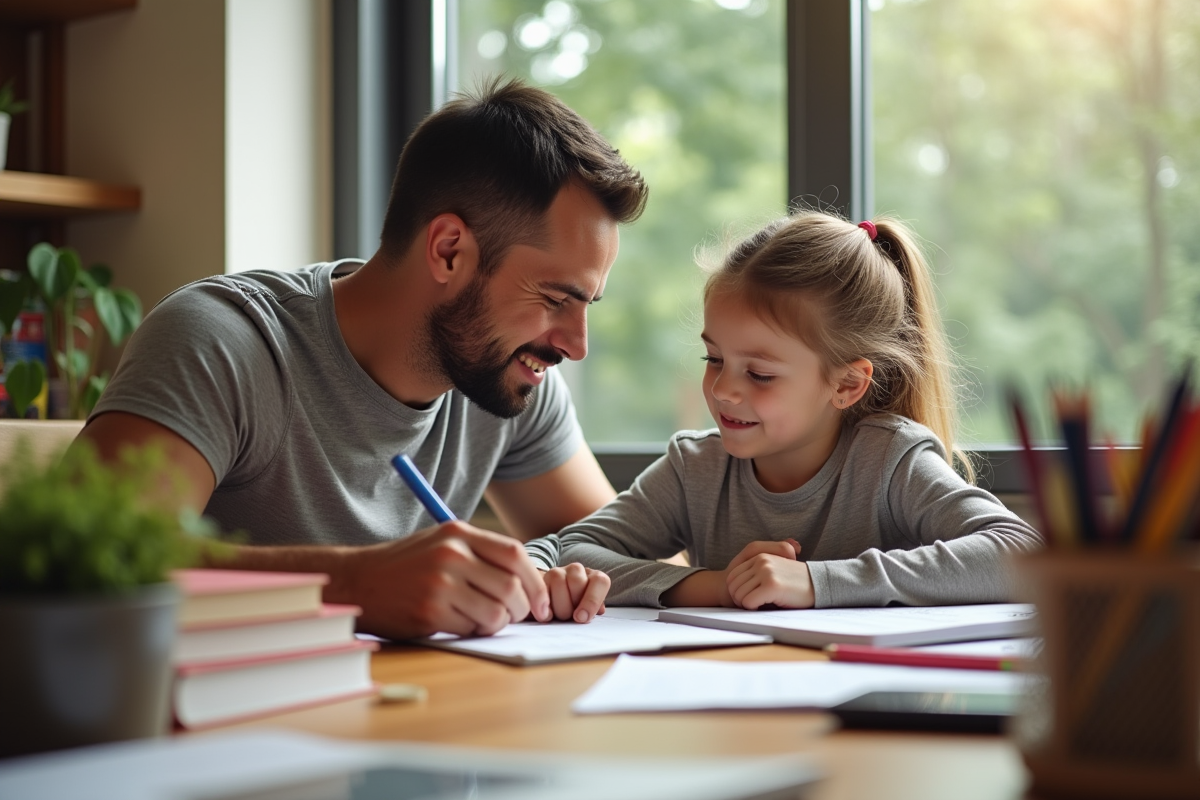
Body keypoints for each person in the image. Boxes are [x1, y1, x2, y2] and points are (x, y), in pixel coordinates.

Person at [76, 78, 648, 639]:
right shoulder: (225, 340)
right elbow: (93, 562)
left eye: (587, 305)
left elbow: (611, 554)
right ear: (449, 251)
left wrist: (579, 579)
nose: (576, 344)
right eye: (555, 300)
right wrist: (352, 583)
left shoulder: (508, 377)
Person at [525, 210, 1042, 609]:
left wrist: (819, 583)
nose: (724, 389)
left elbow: (1021, 553)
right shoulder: (696, 469)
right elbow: (572, 550)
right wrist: (715, 586)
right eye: (714, 358)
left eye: (760, 374)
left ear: (846, 384)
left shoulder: (888, 461)